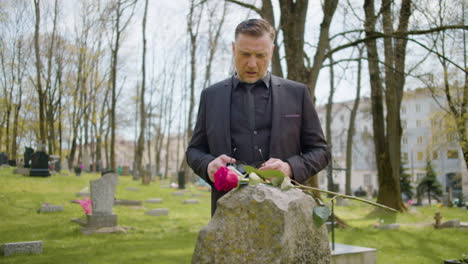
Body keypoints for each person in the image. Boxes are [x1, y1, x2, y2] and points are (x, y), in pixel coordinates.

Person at [186, 18, 330, 216]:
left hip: (286, 213)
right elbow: (194, 150)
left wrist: (290, 168)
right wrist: (209, 165)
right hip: (227, 215)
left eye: (260, 55)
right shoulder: (211, 96)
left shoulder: (297, 94)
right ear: (233, 49)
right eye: (245, 54)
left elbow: (321, 151)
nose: (252, 63)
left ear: (271, 51)